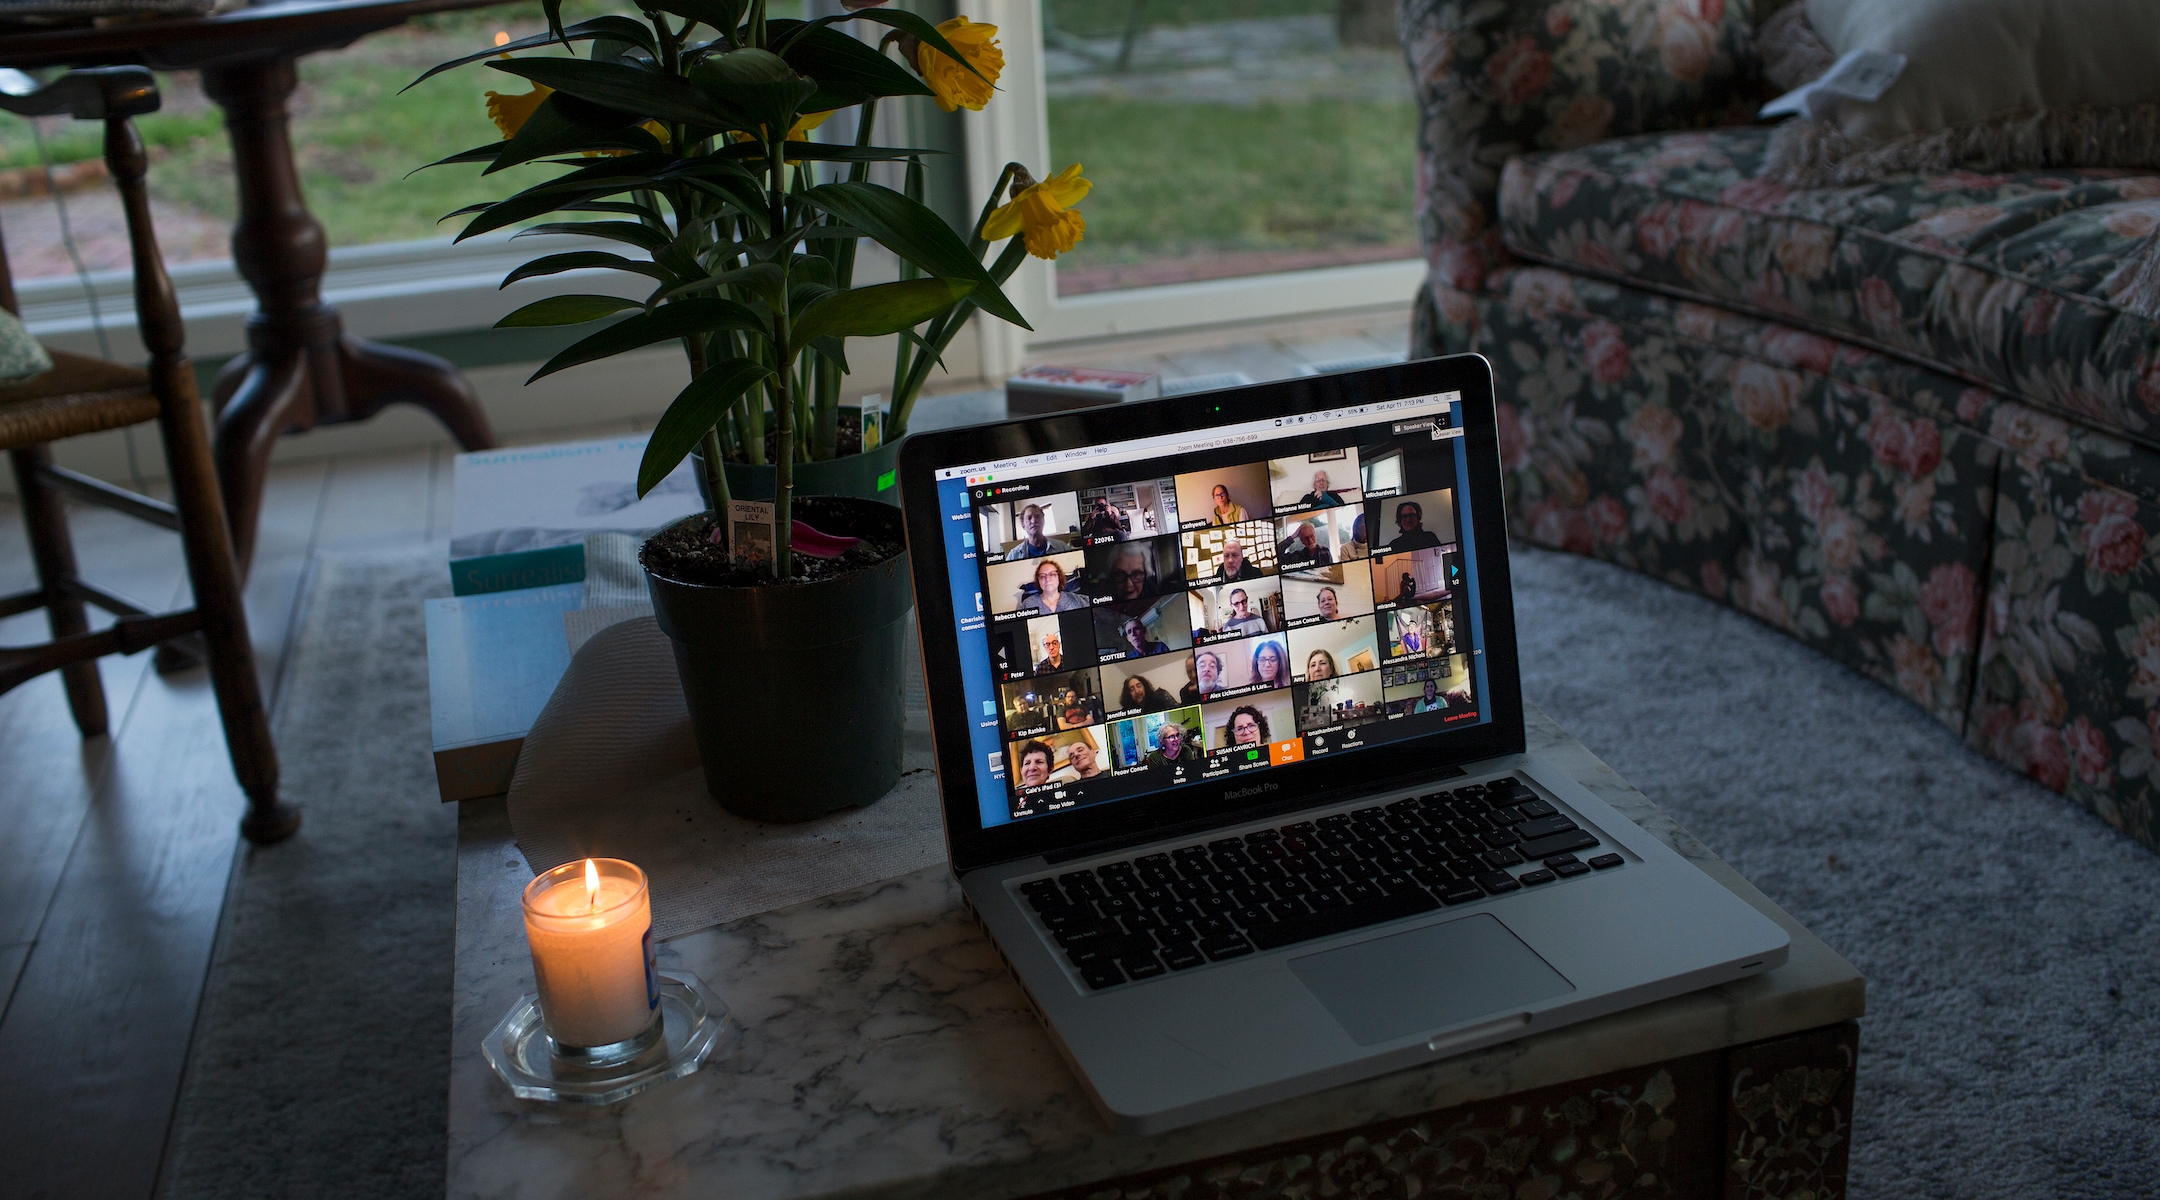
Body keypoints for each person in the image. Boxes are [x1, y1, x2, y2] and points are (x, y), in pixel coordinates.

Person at [1001, 502, 1068, 560]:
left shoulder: (1062, 547)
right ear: (1023, 525)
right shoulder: (1013, 555)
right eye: (1029, 518)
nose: (1033, 521)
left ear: (1043, 521)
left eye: (1037, 516)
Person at [1019, 558, 1087, 614]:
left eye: (1052, 574)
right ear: (1038, 581)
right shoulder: (1027, 604)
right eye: (1042, 576)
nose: (1047, 579)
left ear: (1059, 577)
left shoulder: (1076, 599)